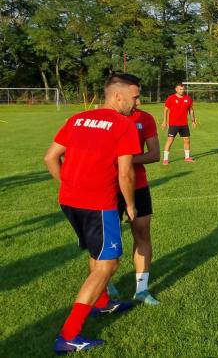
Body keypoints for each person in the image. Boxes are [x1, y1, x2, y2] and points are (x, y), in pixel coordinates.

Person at [44, 74, 143, 354]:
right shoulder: (123, 125)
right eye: (135, 97)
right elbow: (125, 173)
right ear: (118, 96)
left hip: (69, 201)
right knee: (107, 265)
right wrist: (131, 205)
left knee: (98, 254)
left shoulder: (77, 119)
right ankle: (69, 334)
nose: (137, 102)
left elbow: (50, 157)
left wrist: (68, 184)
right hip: (99, 204)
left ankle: (102, 303)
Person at [108, 96, 161, 305]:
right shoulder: (104, 119)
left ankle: (142, 289)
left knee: (142, 234)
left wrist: (125, 160)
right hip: (109, 188)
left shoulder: (145, 118)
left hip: (138, 186)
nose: (138, 101)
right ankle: (104, 283)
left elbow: (155, 154)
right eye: (134, 97)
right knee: (107, 240)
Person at [161, 84, 197, 165]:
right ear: (176, 89)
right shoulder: (171, 98)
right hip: (173, 124)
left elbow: (191, 110)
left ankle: (187, 157)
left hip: (184, 124)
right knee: (170, 140)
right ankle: (165, 159)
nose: (182, 91)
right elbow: (166, 110)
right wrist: (164, 121)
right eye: (180, 89)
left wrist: (193, 120)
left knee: (187, 140)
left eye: (183, 89)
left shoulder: (188, 98)